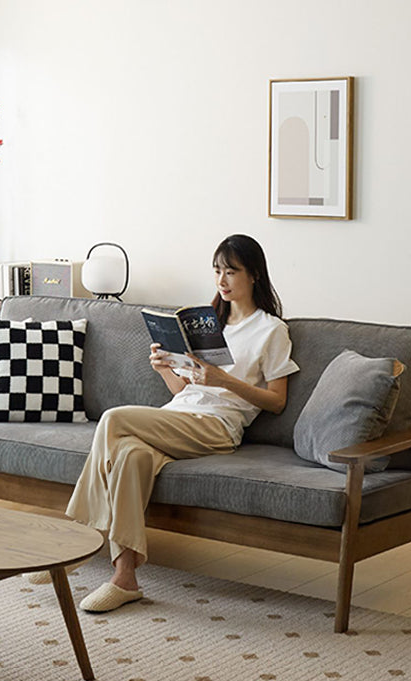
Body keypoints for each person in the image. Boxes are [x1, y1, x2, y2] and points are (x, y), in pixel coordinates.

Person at [65, 234, 299, 612]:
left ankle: (76, 539)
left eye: (231, 272)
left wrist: (222, 379)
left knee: (112, 420)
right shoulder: (207, 324)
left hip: (217, 427)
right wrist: (165, 368)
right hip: (179, 416)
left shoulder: (271, 330)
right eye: (217, 271)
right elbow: (183, 391)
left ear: (254, 274)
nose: (221, 281)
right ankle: (125, 579)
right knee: (129, 455)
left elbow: (277, 400)